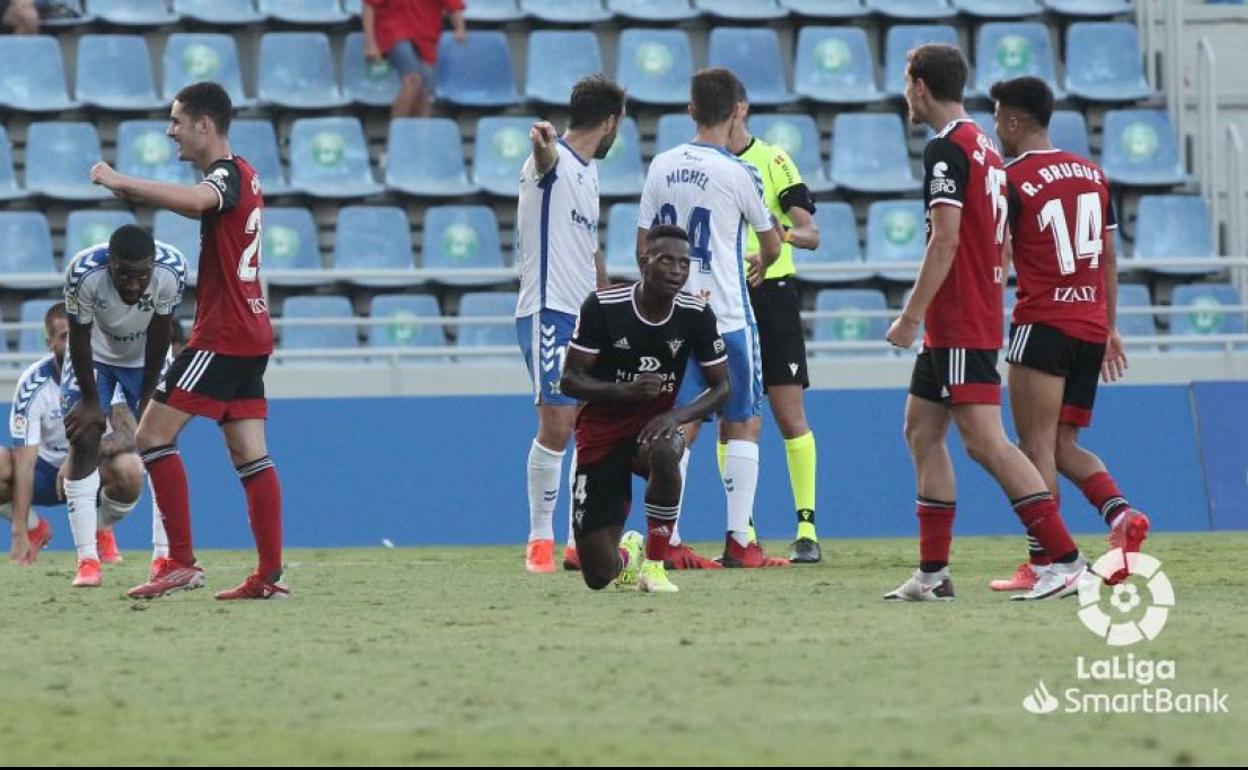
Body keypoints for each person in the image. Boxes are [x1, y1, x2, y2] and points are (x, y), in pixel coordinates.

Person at [883, 44, 1087, 602]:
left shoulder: (947, 149)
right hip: (968, 314)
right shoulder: (987, 147)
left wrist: (911, 315)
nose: (906, 94)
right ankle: (933, 574)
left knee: (987, 443)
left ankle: (1065, 559)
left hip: (957, 320)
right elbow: (995, 243)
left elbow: (945, 239)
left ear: (920, 86)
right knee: (921, 431)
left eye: (907, 84)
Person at [89, 81, 286, 601]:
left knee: (151, 438)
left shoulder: (223, 176)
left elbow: (201, 202)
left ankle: (179, 562)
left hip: (222, 335)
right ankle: (269, 576)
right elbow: (204, 208)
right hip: (252, 330)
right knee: (249, 453)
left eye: (177, 121)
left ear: (204, 124)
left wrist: (123, 184)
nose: (170, 130)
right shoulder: (244, 175)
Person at [987, 76, 1150, 592]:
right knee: (1062, 444)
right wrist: (1110, 326)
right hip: (1089, 326)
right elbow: (1108, 257)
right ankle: (1121, 516)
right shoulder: (1092, 173)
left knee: (1033, 446)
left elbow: (1000, 255)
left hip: (1041, 324)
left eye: (996, 117)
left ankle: (1045, 562)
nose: (994, 128)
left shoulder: (1010, 179)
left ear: (1013, 121)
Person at [636, 68, 785, 569]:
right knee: (742, 419)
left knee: (679, 423)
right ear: (737, 111)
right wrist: (762, 261)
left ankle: (669, 540)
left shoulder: (661, 164)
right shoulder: (739, 173)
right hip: (725, 313)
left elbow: (643, 246)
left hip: (675, 316)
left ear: (690, 110)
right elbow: (772, 242)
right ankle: (740, 542)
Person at [559, 225, 730, 594]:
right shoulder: (603, 307)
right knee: (596, 576)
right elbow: (569, 381)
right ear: (643, 261)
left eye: (684, 263)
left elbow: (723, 387)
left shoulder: (696, 314)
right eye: (666, 260)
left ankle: (654, 565)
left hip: (649, 431)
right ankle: (627, 554)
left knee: (669, 450)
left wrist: (676, 416)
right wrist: (625, 390)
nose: (676, 271)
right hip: (600, 436)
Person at [514, 74, 624, 574]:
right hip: (548, 309)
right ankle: (539, 540)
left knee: (588, 425)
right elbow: (544, 159)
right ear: (608, 122)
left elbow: (590, 247)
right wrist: (542, 142)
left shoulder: (590, 173)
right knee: (557, 424)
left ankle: (581, 541)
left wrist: (606, 303)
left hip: (583, 313)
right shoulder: (553, 159)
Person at [726, 92, 824, 564]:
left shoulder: (773, 160)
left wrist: (775, 239)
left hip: (775, 297)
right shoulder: (703, 164)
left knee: (788, 415)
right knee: (736, 417)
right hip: (724, 298)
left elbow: (811, 234)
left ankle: (806, 528)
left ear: (743, 108)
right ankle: (741, 528)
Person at [58, 228, 186, 587]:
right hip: (93, 357)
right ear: (111, 263)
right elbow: (78, 334)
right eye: (125, 275)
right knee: (84, 436)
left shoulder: (172, 269)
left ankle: (163, 557)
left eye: (141, 275)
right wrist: (89, 400)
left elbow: (163, 331)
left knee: (159, 441)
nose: (133, 285)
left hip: (145, 358)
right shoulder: (83, 272)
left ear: (152, 267)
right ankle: (87, 560)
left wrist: (148, 396)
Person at [2, 303, 144, 575]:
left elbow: (129, 435)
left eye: (79, 335)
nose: (72, 344)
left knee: (131, 468)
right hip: (45, 476)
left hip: (92, 467)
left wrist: (78, 457)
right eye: (64, 336)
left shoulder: (108, 375)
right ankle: (35, 529)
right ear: (49, 342)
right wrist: (19, 528)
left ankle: (100, 528)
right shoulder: (33, 384)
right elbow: (24, 463)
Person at [362, 0, 466, 118]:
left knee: (425, 94)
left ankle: (420, 134)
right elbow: (369, 5)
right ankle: (397, 131)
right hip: (394, 31)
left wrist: (460, 27)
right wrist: (370, 42)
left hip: (427, 38)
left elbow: (453, 5)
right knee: (412, 79)